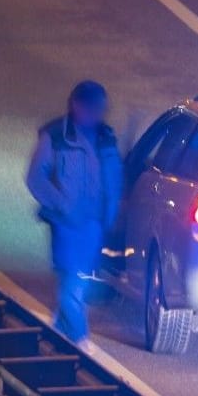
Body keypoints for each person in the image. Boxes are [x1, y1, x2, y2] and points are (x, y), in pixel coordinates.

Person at [26, 80, 123, 344]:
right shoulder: (55, 136)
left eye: (101, 108)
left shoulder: (107, 138)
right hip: (67, 225)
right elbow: (35, 178)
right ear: (76, 105)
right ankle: (80, 340)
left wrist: (111, 215)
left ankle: (59, 331)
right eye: (92, 108)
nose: (97, 114)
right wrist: (62, 204)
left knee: (81, 282)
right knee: (73, 280)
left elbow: (113, 181)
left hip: (95, 225)